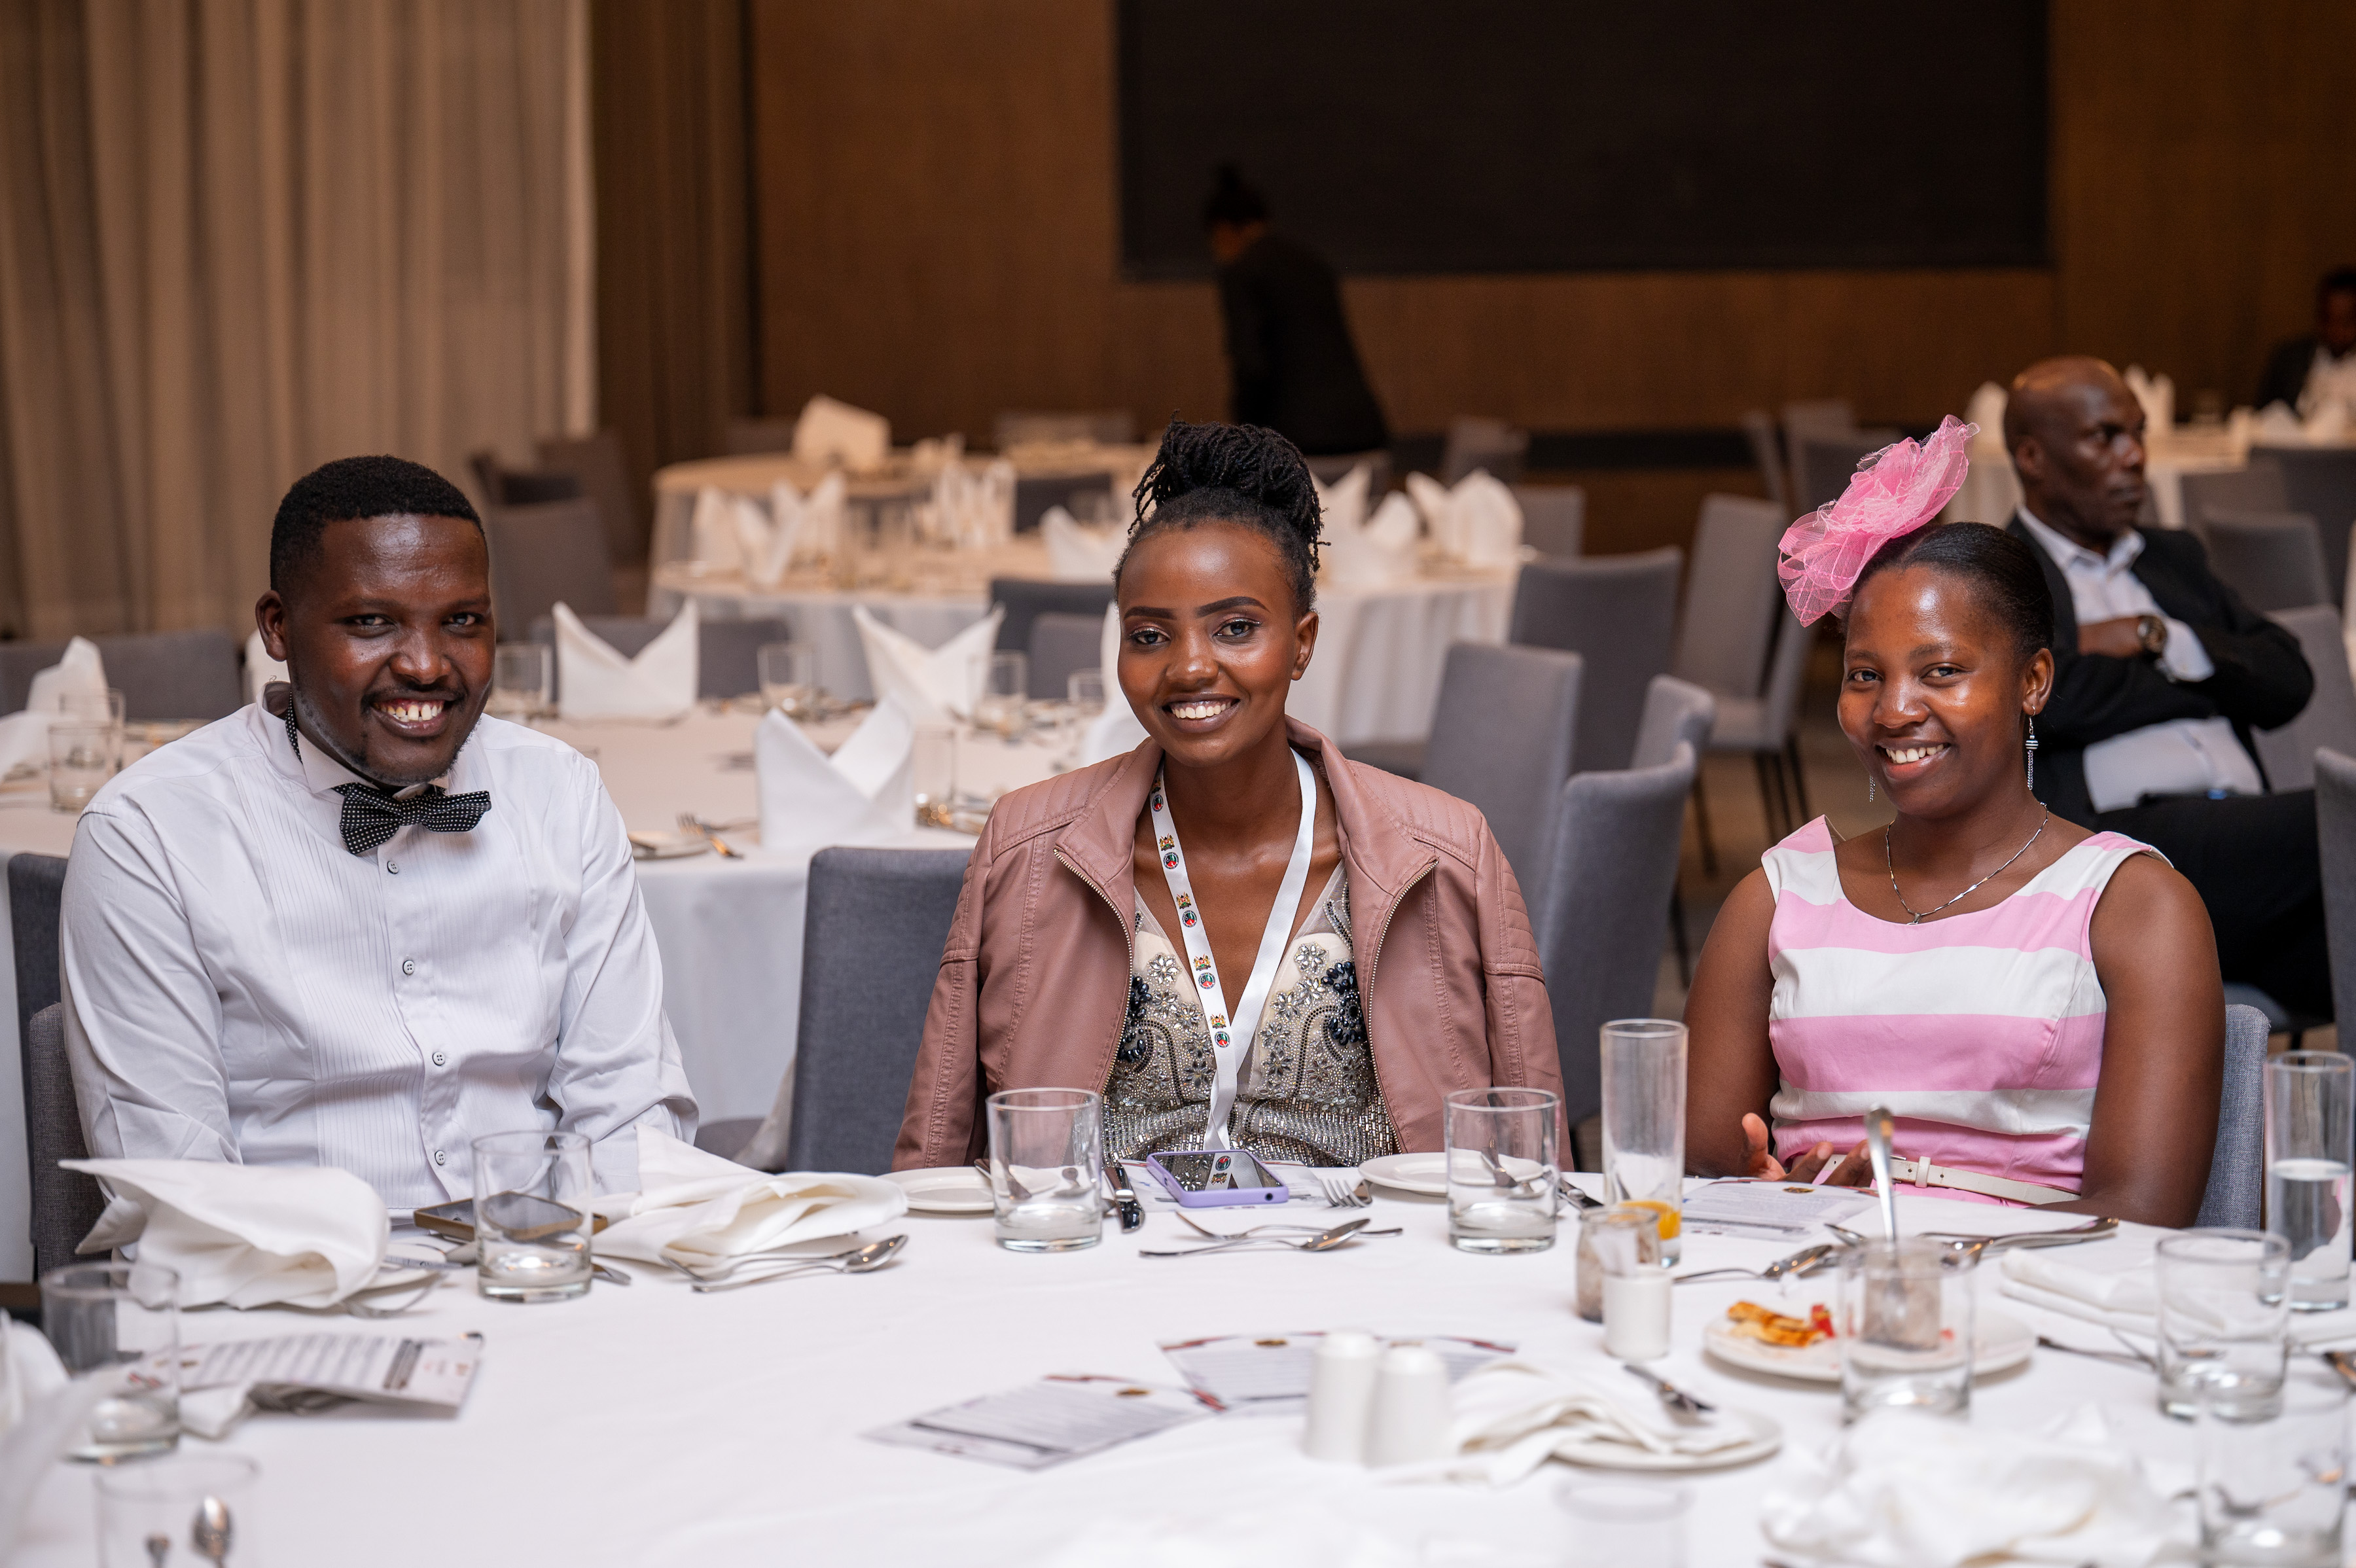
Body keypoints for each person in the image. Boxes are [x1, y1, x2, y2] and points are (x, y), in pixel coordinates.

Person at [895, 420, 1558, 1168]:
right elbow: (935, 1159)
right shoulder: (1025, 851)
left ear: (1302, 642)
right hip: (1101, 1243)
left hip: (1373, 1244)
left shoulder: (1449, 856)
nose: (1189, 667)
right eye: (1150, 636)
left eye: (1235, 628)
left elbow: (1536, 1161)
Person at [62, 455, 695, 1209]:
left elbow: (628, 1119)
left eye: (462, 620)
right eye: (371, 622)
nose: (426, 665)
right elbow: (180, 1198)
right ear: (278, 627)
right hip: (294, 1275)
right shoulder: (150, 835)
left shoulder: (560, 792)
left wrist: (576, 1261)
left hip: (542, 1256)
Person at [1686, 418, 2222, 1228]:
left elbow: (2142, 1217)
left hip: (2032, 1292)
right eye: (1864, 674)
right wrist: (1766, 1189)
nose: (1894, 709)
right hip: (1806, 1282)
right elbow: (1693, 1176)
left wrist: (1922, 1239)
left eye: (1941, 670)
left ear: (2033, 680)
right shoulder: (1778, 898)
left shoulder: (2132, 906)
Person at [2001, 355, 2326, 1021]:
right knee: (2343, 822)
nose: (2135, 456)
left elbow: (2289, 680)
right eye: (2104, 437)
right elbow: (2052, 702)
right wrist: (2207, 677)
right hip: (2127, 853)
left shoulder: (2172, 557)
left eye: (2138, 433)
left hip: (2246, 850)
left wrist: (2157, 639)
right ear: (2032, 457)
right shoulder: (1999, 573)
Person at [1205, 166, 1389, 460]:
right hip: (1362, 430)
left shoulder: (1243, 270)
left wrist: (1243, 440)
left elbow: (1251, 365)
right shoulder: (1313, 264)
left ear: (1224, 230)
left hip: (1298, 441)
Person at [2255, 266, 2356, 417]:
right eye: (2328, 319)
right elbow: (2262, 417)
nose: (2337, 330)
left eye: (2346, 322)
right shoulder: (2289, 359)